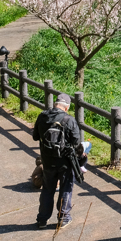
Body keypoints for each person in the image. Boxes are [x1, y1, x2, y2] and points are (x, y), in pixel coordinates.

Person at [32, 93, 82, 229]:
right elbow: (77, 142)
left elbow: (35, 136)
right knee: (65, 189)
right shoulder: (69, 120)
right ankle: (63, 218)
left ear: (55, 104)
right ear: (66, 107)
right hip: (65, 162)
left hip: (47, 161)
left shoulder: (42, 116)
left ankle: (42, 219)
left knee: (48, 189)